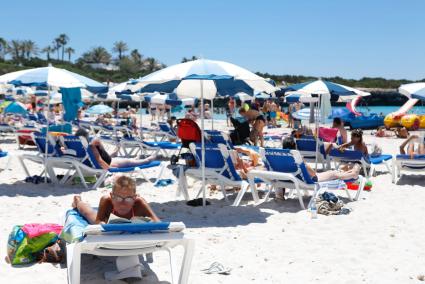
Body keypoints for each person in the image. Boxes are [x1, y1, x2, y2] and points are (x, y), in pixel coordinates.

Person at [72, 175, 160, 224]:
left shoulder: (140, 203)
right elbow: (98, 222)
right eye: (118, 198)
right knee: (88, 213)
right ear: (112, 196)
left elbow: (158, 223)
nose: (122, 203)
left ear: (134, 198)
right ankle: (78, 200)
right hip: (108, 220)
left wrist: (147, 222)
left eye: (128, 199)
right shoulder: (106, 200)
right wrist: (102, 224)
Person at [75, 128, 157, 169]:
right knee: (129, 162)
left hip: (105, 161)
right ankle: (147, 160)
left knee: (124, 159)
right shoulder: (91, 147)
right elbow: (99, 161)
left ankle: (134, 158)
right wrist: (110, 169)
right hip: (109, 164)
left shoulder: (79, 147)